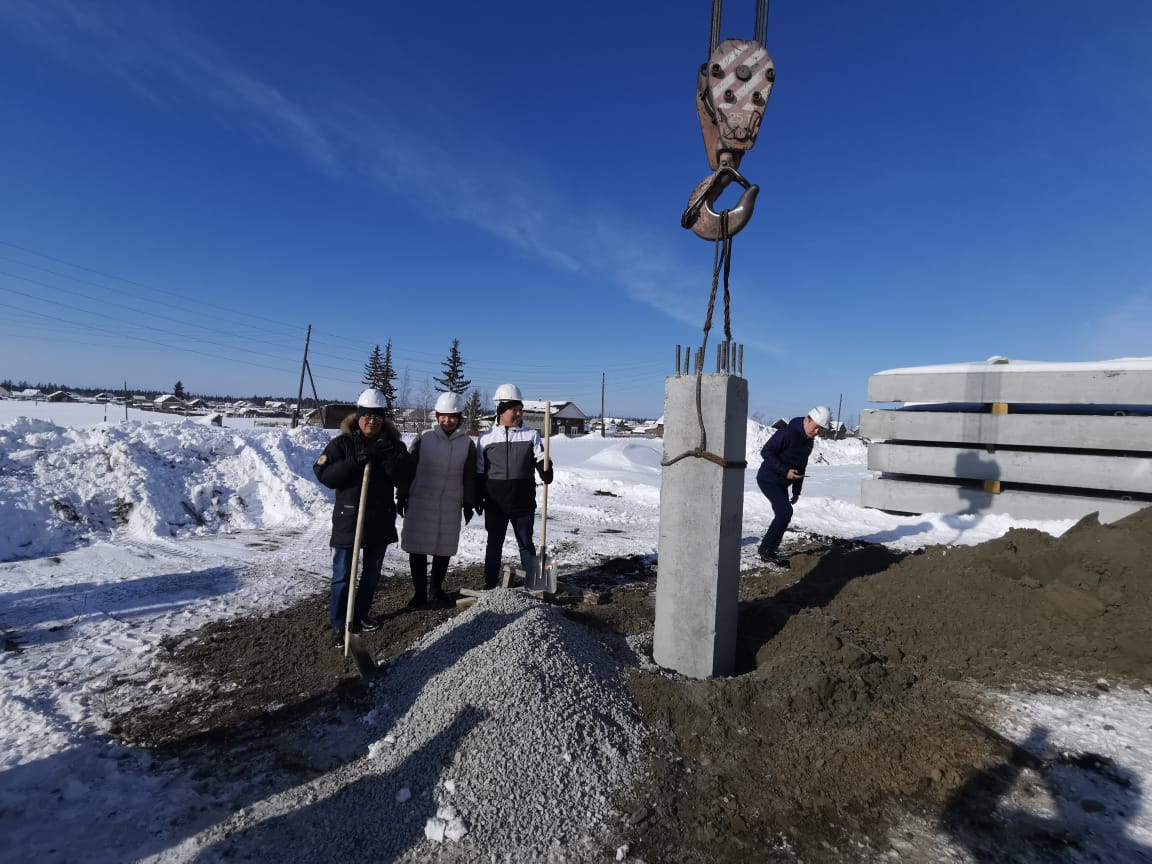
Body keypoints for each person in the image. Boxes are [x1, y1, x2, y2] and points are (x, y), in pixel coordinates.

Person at [312, 388, 413, 645]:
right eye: (367, 415)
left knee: (371, 574)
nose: (372, 420)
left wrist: (385, 456)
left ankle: (361, 614)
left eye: (377, 416)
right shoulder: (342, 444)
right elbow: (325, 476)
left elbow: (405, 477)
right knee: (343, 574)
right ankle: (339, 622)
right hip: (349, 519)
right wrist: (355, 462)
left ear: (384, 419)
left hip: (379, 520)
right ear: (358, 417)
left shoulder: (394, 446)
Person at [397, 391, 477, 607]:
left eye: (452, 416)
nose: (447, 420)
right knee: (418, 547)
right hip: (421, 500)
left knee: (444, 547)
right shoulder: (425, 438)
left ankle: (436, 589)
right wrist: (402, 494)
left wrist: (469, 502)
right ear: (437, 415)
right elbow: (409, 468)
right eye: (443, 415)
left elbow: (469, 475)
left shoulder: (467, 444)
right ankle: (419, 593)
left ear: (460, 417)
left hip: (450, 503)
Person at [476, 383, 554, 589]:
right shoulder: (486, 439)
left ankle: (534, 584)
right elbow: (479, 471)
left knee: (526, 544)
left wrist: (546, 469)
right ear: (501, 412)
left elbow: (541, 458)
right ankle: (490, 583)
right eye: (514, 410)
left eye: (520, 409)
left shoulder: (531, 436)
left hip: (523, 502)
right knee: (494, 545)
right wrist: (477, 496)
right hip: (496, 503)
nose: (519, 413)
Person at [756, 405, 830, 563]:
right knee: (784, 513)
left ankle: (769, 548)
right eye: (816, 427)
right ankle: (766, 549)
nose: (817, 432)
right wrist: (784, 471)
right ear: (807, 420)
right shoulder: (787, 433)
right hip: (768, 479)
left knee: (784, 514)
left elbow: (801, 466)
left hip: (783, 483)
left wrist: (797, 491)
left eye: (820, 429)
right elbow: (766, 452)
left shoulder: (809, 442)